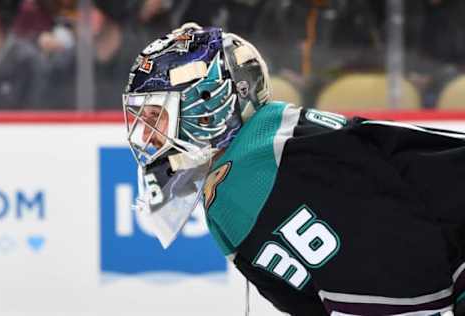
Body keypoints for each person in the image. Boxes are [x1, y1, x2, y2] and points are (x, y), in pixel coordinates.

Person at [121, 23, 465, 316]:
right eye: (141, 116)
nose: (146, 134)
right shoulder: (267, 146)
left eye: (156, 114)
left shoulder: (251, 180)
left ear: (211, 105)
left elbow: (397, 277)